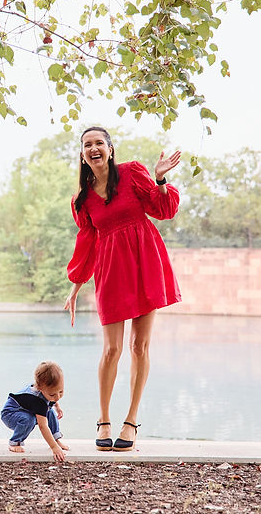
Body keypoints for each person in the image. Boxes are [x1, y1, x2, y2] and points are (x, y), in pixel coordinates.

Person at [63, 126, 181, 452]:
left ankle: (130, 421)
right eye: (87, 145)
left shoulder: (131, 173)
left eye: (99, 142)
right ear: (83, 155)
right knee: (111, 350)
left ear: (110, 149)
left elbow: (164, 210)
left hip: (145, 262)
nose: (93, 148)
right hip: (112, 271)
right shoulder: (82, 200)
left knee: (139, 347)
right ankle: (103, 419)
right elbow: (86, 245)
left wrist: (160, 180)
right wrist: (75, 287)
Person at [0, 361, 70, 461]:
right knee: (29, 419)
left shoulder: (46, 392)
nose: (57, 397)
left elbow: (50, 400)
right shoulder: (37, 400)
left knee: (50, 412)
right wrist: (54, 448)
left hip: (24, 410)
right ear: (40, 388)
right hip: (10, 414)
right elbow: (43, 426)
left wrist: (57, 406)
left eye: (61, 391)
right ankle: (15, 442)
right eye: (52, 395)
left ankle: (56, 439)